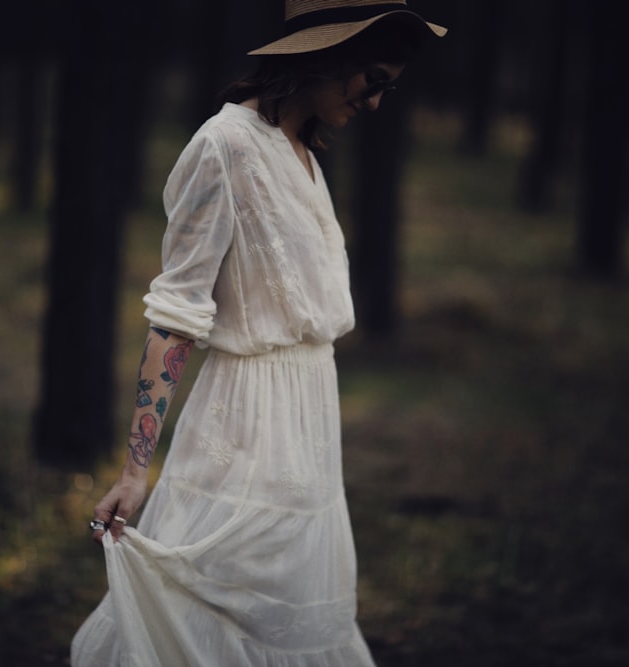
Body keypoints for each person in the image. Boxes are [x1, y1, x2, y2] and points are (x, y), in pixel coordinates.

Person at [71, 2, 445, 665]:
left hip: (309, 422)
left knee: (290, 620)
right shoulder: (223, 147)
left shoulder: (301, 150)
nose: (378, 102)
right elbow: (176, 313)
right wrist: (136, 468)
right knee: (221, 613)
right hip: (243, 424)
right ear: (326, 56)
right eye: (375, 79)